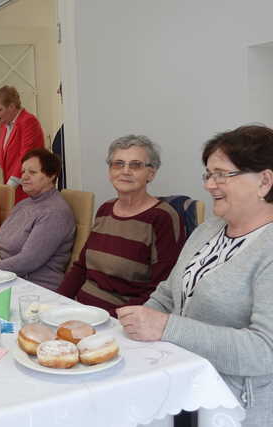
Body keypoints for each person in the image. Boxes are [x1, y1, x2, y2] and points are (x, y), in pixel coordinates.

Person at [117, 125, 273, 427]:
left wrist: (167, 328)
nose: (210, 185)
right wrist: (137, 325)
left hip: (233, 407)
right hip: (182, 384)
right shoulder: (209, 229)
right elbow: (167, 292)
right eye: (208, 174)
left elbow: (265, 351)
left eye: (221, 175)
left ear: (264, 181)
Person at [58, 135, 185, 316]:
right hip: (82, 312)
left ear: (151, 173)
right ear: (110, 171)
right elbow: (81, 267)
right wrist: (58, 303)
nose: (125, 171)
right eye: (118, 164)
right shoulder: (105, 209)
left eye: (135, 165)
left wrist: (110, 318)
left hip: (122, 321)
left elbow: (161, 289)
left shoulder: (162, 218)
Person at [0, 148, 75, 290]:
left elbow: (28, 261)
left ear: (51, 176)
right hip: (4, 276)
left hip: (34, 286)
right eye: (23, 172)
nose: (23, 177)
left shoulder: (55, 212)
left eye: (32, 172)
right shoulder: (24, 204)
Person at [0, 86, 44, 204]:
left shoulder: (28, 121)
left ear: (11, 106)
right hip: (14, 187)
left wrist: (9, 187)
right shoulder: (5, 123)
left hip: (27, 187)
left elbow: (26, 155)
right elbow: (0, 148)